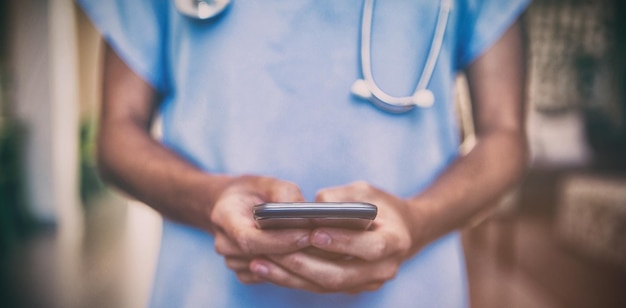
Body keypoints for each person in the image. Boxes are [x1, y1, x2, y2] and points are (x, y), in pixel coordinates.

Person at [78, 0, 529, 306]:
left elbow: (505, 135)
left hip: (415, 292)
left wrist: (420, 220)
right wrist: (208, 199)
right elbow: (118, 134)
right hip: (206, 291)